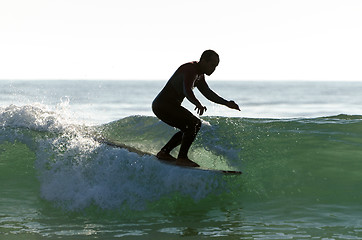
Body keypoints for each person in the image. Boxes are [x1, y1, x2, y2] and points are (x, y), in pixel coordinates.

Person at [152, 50, 240, 167]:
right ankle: (182, 158)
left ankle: (164, 152)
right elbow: (187, 89)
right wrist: (197, 103)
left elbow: (208, 93)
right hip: (163, 105)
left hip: (166, 106)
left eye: (216, 66)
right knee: (194, 123)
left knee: (188, 127)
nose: (213, 69)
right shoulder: (190, 69)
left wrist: (226, 103)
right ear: (203, 61)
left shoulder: (199, 75)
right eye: (212, 65)